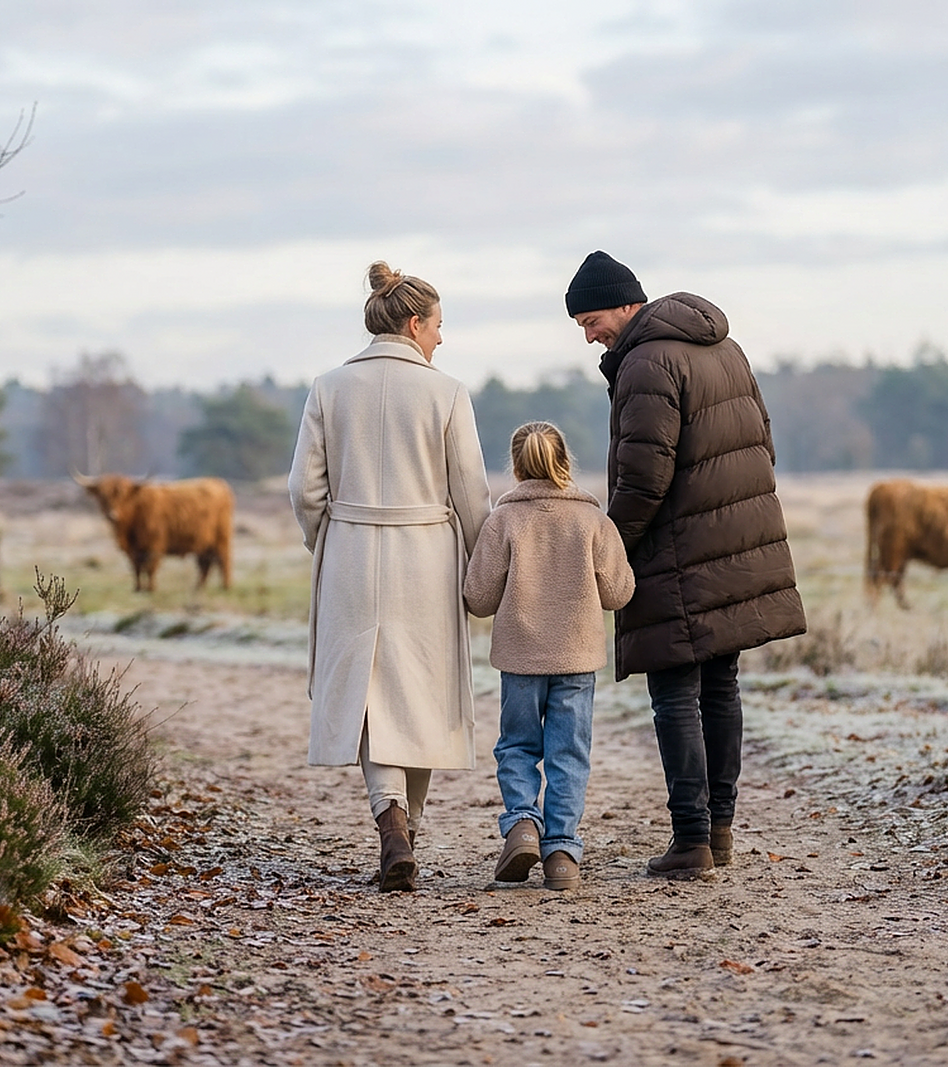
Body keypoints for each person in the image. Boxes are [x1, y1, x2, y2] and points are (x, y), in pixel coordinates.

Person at [564, 250, 807, 879]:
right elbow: (765, 440)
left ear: (626, 304)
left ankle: (691, 841)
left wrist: (610, 548)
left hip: (674, 549)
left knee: (674, 692)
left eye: (592, 319)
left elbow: (646, 476)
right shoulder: (724, 349)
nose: (589, 334)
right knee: (720, 687)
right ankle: (719, 832)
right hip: (732, 542)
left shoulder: (647, 360)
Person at [289, 261, 491, 892]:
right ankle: (404, 828)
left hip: (350, 549)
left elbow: (303, 488)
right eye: (437, 326)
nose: (440, 339)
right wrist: (487, 564)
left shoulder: (327, 387)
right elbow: (473, 495)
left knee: (371, 697)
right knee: (419, 694)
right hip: (426, 555)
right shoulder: (447, 391)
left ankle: (393, 822)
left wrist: (323, 539)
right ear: (413, 323)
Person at [463, 422, 634, 891]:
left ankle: (521, 823)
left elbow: (477, 597)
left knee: (517, 745)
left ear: (517, 466)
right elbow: (618, 593)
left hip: (519, 657)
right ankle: (562, 853)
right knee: (569, 754)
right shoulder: (592, 520)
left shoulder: (503, 520)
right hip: (577, 658)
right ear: (565, 462)